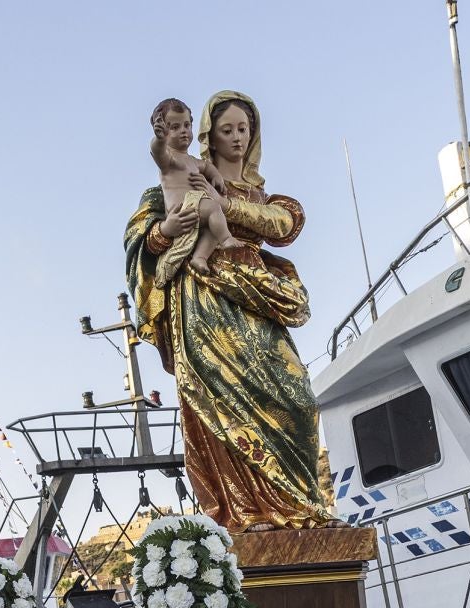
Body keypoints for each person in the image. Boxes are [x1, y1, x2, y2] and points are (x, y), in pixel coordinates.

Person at [126, 89, 331, 531]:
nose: (237, 138)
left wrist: (228, 205)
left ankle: (302, 506)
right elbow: (141, 245)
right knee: (223, 397)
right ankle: (245, 510)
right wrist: (166, 228)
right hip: (203, 300)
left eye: (244, 129)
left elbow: (285, 224)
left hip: (255, 294)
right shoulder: (175, 180)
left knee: (297, 400)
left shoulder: (256, 195)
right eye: (226, 130)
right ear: (209, 136)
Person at [147, 97, 231, 281]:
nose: (183, 131)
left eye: (187, 125)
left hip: (198, 206)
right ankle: (227, 239)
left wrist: (216, 176)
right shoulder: (169, 158)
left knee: (213, 228)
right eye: (175, 127)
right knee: (214, 209)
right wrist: (159, 139)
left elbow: (207, 166)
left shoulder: (192, 161)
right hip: (183, 208)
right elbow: (157, 152)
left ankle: (200, 257)